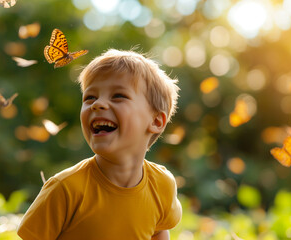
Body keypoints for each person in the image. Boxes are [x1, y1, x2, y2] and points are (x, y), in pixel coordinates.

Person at [17, 49, 182, 240]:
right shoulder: (65, 189)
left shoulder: (162, 185)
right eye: (90, 97)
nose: (98, 104)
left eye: (118, 96)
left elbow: (159, 230)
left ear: (156, 122)